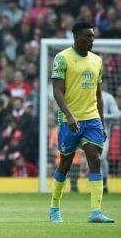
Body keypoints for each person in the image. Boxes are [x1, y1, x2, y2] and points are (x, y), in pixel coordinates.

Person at [49, 21, 114, 223]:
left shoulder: (97, 61)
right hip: (70, 119)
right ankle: (54, 209)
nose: (92, 40)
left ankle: (95, 212)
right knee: (65, 164)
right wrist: (69, 116)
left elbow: (98, 94)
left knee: (95, 160)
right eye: (88, 36)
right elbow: (57, 91)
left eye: (93, 36)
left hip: (92, 118)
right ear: (77, 37)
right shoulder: (62, 58)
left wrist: (101, 123)